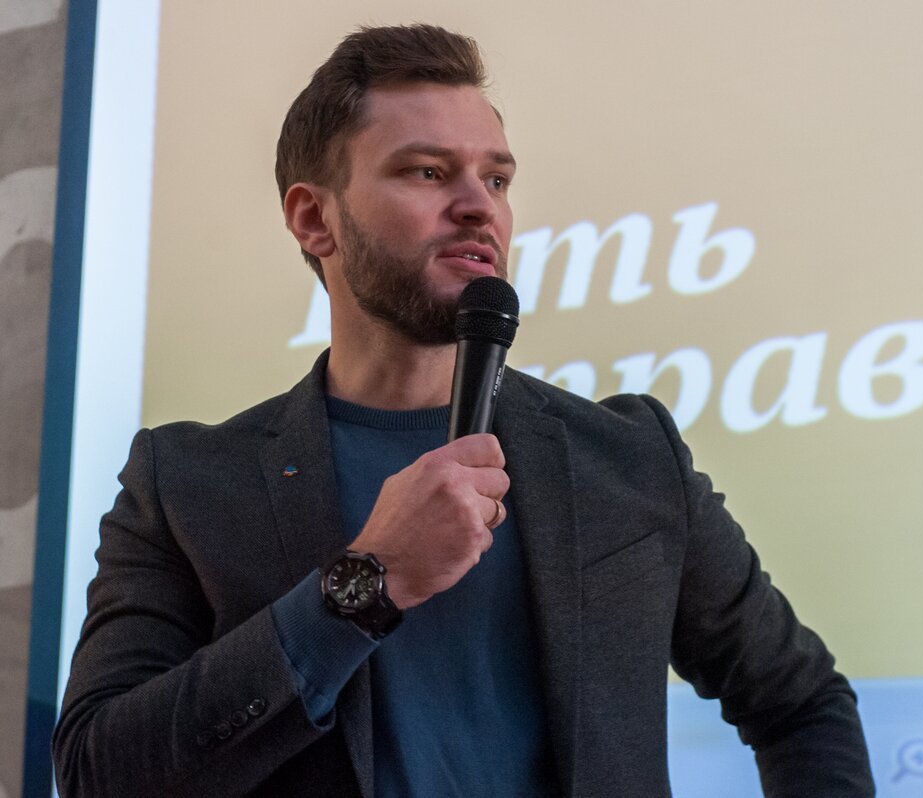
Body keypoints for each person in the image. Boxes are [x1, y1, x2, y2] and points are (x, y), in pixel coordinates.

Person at [52, 24, 874, 797]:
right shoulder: (187, 484)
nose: (480, 204)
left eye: (497, 179)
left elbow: (802, 704)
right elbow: (95, 770)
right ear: (314, 218)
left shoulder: (626, 459)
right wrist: (367, 584)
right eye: (427, 171)